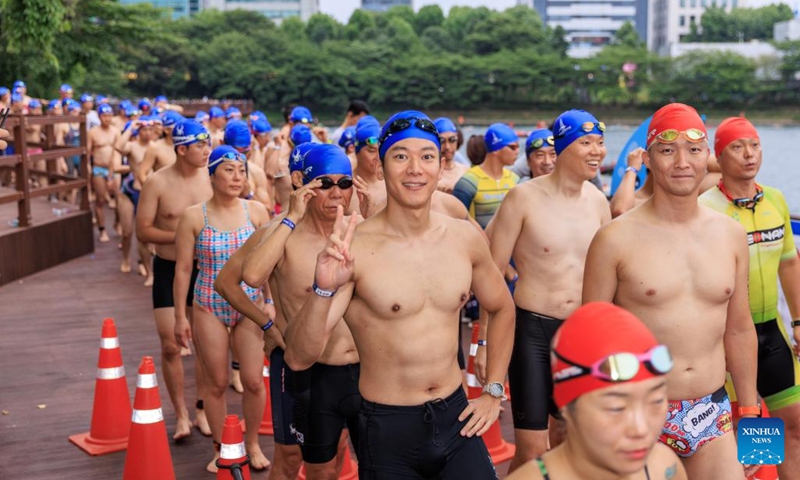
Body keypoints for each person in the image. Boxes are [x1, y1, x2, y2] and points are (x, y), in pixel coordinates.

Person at [282, 111, 516, 479]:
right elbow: (297, 357)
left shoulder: (464, 238)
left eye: (426, 156)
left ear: (441, 167)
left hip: (456, 418)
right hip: (387, 428)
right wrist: (323, 288)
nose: (414, 169)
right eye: (400, 156)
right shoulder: (353, 247)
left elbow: (502, 307)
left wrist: (493, 390)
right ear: (380, 167)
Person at [582, 103, 759, 480]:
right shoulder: (613, 239)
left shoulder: (731, 235)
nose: (682, 162)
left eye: (694, 150)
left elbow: (740, 329)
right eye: (667, 150)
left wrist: (754, 423)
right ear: (647, 158)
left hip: (714, 412)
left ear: (708, 156)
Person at [488, 110, 611, 472]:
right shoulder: (523, 198)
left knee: (568, 444)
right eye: (586, 143)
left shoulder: (598, 201)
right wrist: (483, 342)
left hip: (582, 335)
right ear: (562, 148)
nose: (597, 152)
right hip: (533, 332)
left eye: (600, 143)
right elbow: (493, 273)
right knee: (531, 452)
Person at [241, 143, 362, 478]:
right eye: (324, 184)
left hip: (368, 368)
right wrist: (292, 217)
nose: (336, 193)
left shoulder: (364, 229)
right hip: (312, 372)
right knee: (311, 468)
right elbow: (249, 277)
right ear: (303, 185)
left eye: (344, 183)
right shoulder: (284, 234)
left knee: (373, 464)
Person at [699, 117, 800, 480]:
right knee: (744, 430)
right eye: (737, 148)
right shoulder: (705, 208)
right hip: (727, 336)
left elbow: (789, 264)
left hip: (771, 332)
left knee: (793, 423)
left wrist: (799, 322)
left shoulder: (775, 199)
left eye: (754, 145)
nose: (748, 155)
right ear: (718, 158)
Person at [507, 302, 688, 480]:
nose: (641, 429)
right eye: (616, 408)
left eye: (656, 401)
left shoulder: (663, 467)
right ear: (566, 408)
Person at [173, 145, 271, 472]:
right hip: (208, 305)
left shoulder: (256, 212)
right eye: (228, 170)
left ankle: (253, 442)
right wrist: (179, 317)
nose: (237, 176)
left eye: (241, 170)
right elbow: (184, 269)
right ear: (212, 175)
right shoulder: (193, 216)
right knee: (215, 383)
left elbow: (268, 265)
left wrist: (269, 303)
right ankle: (221, 447)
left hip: (249, 305)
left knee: (254, 381)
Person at [136, 119, 213, 440]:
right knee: (171, 346)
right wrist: (182, 236)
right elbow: (143, 231)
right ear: (181, 149)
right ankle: (181, 415)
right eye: (201, 145)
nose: (208, 150)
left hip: (205, 271)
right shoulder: (157, 182)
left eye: (209, 143)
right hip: (169, 269)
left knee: (207, 348)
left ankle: (202, 408)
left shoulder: (212, 179)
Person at [453, 123, 520, 229]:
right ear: (496, 149)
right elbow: (455, 222)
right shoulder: (468, 182)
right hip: (477, 243)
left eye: (518, 147)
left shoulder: (515, 180)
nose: (517, 151)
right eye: (513, 147)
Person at [114, 116, 155, 283]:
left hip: (149, 193)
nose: (147, 133)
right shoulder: (132, 145)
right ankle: (125, 258)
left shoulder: (155, 148)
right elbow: (118, 147)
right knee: (127, 231)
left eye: (150, 130)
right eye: (144, 130)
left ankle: (145, 265)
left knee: (144, 235)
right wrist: (130, 127)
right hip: (130, 190)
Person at [87, 103, 120, 242]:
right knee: (100, 200)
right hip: (99, 168)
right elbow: (88, 153)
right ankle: (102, 229)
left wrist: (112, 173)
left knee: (119, 198)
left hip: (113, 168)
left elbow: (117, 153)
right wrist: (89, 168)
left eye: (110, 116)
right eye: (105, 116)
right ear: (99, 116)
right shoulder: (93, 132)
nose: (107, 118)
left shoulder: (116, 131)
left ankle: (117, 222)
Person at [434, 117, 468, 193]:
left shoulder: (466, 171)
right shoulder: (428, 174)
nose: (447, 147)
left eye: (452, 140)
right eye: (442, 141)